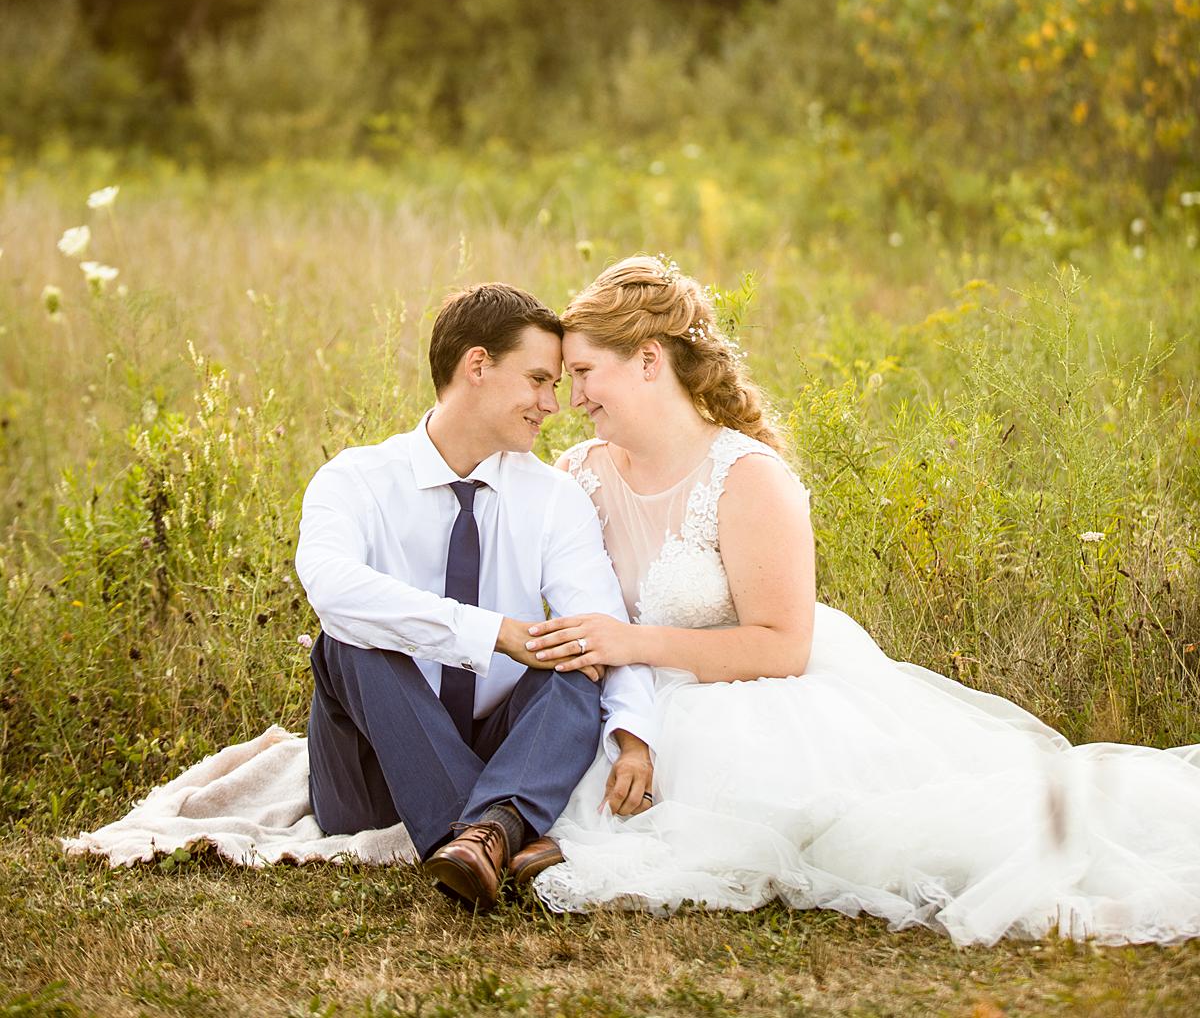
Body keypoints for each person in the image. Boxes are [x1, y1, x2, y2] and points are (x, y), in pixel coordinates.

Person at [523, 256, 1200, 945]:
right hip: (622, 693)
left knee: (859, 833)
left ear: (646, 361)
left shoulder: (748, 479)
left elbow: (783, 646)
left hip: (749, 699)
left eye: (583, 373)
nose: (573, 397)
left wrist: (633, 643)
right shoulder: (576, 474)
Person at [295, 281, 655, 909]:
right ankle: (509, 830)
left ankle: (484, 837)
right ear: (478, 365)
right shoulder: (354, 479)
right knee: (350, 638)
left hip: (497, 748)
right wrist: (492, 632)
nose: (553, 403)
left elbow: (601, 626)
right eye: (539, 380)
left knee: (575, 651)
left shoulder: (553, 497)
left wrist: (634, 735)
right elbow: (330, 587)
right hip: (373, 771)